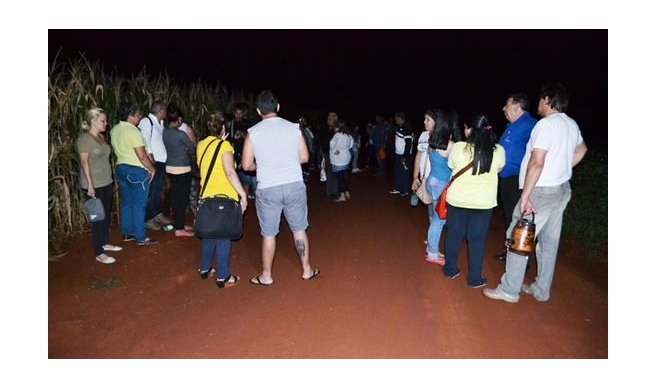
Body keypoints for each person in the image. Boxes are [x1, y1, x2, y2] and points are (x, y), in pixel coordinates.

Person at [484, 83, 587, 303]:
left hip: (540, 190)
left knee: (519, 237)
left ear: (548, 100)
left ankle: (509, 290)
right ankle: (541, 289)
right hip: (561, 189)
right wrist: (562, 169)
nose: (538, 103)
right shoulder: (571, 124)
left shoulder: (545, 125)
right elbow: (582, 149)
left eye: (541, 99)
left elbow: (536, 162)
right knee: (549, 242)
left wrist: (525, 195)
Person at [241, 90, 320, 285]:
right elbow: (304, 158)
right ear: (278, 107)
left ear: (259, 111)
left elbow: (245, 165)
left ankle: (266, 276)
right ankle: (307, 270)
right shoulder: (294, 128)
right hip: (293, 184)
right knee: (299, 229)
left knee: (269, 233)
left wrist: (262, 166)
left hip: (268, 188)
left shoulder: (253, 133)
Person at [442, 114, 505, 288]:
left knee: (454, 235)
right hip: (483, 203)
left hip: (457, 200)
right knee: (477, 239)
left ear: (469, 129)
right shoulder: (498, 150)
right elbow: (499, 169)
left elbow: (451, 165)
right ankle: (474, 278)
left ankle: (450, 269)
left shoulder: (459, 147)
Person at [196, 112, 248, 288]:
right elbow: (230, 172)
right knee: (224, 235)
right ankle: (223, 277)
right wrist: (243, 194)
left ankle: (204, 269)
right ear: (224, 128)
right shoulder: (225, 146)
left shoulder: (201, 145)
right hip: (224, 196)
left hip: (207, 196)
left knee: (210, 233)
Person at [493, 93, 537, 261]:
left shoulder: (531, 124)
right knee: (510, 217)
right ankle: (510, 251)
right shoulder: (512, 125)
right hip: (505, 178)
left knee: (519, 219)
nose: (504, 108)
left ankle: (520, 258)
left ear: (518, 107)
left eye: (507, 105)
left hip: (517, 179)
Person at [76, 108, 122, 264]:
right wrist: (90, 185)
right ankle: (99, 252)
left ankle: (104, 242)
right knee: (97, 218)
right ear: (93, 121)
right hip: (93, 184)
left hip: (106, 182)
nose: (106, 123)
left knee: (105, 215)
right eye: (103, 120)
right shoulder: (84, 139)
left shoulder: (101, 137)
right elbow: (84, 163)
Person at [110, 103, 158, 246]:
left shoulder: (114, 130)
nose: (139, 118)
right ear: (130, 116)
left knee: (126, 202)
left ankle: (127, 232)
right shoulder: (133, 131)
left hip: (120, 168)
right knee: (139, 205)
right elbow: (142, 156)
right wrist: (152, 169)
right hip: (136, 171)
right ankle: (140, 237)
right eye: (138, 115)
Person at [413, 109, 454, 264]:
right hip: (440, 185)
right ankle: (432, 253)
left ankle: (433, 249)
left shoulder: (432, 141)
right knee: (438, 220)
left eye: (428, 119)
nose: (424, 122)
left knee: (437, 218)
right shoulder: (449, 145)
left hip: (432, 181)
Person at [162, 105, 196, 237]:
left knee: (176, 197)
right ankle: (179, 229)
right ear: (179, 119)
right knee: (182, 198)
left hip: (170, 167)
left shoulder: (165, 132)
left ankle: (178, 224)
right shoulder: (181, 134)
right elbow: (193, 149)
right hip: (183, 168)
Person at [138, 101, 170, 230]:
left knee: (157, 190)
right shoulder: (147, 122)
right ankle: (148, 218)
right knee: (151, 191)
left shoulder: (160, 123)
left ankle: (156, 214)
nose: (166, 113)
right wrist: (151, 161)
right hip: (153, 162)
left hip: (161, 162)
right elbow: (144, 141)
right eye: (165, 110)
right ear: (161, 111)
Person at [227, 102, 257, 199]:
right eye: (237, 113)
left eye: (240, 113)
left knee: (248, 181)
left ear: (244, 113)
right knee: (237, 180)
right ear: (233, 112)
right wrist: (234, 138)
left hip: (246, 155)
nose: (238, 115)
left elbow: (254, 138)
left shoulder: (248, 123)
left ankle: (248, 200)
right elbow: (225, 139)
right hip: (233, 155)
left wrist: (243, 135)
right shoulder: (229, 124)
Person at [329, 120, 354, 202]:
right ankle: (347, 192)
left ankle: (342, 195)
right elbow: (350, 146)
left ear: (338, 127)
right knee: (343, 177)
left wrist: (335, 151)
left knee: (340, 178)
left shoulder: (337, 135)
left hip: (338, 158)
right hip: (346, 156)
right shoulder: (349, 135)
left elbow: (332, 145)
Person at [390, 111, 413, 195]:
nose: (395, 120)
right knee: (398, 171)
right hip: (398, 154)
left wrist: (405, 156)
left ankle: (405, 190)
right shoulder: (400, 127)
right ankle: (398, 188)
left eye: (396, 118)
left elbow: (408, 143)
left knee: (404, 172)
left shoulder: (407, 127)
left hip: (405, 155)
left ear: (400, 118)